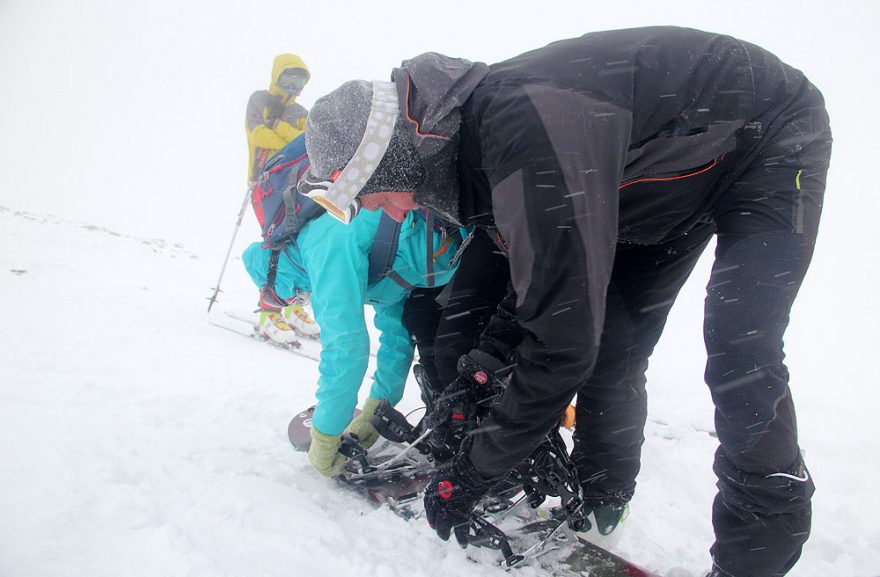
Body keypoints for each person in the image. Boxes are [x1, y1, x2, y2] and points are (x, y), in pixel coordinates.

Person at [296, 26, 833, 577]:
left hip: (767, 136)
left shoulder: (519, 133)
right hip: (662, 179)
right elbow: (548, 295)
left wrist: (474, 473)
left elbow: (560, 346)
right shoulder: (470, 153)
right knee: (616, 349)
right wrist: (482, 373)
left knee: (742, 354)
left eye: (379, 195)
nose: (389, 213)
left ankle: (754, 558)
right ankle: (598, 495)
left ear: (389, 159)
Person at [244, 194, 468, 476]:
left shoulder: (322, 249)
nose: (299, 300)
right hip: (456, 244)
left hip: (457, 245)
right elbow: (396, 337)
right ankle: (460, 441)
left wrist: (325, 437)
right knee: (443, 356)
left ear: (277, 273)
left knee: (452, 358)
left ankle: (469, 449)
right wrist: (377, 410)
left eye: (287, 298)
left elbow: (345, 350)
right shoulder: (330, 247)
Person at [244, 53, 319, 343]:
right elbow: (257, 134)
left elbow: (309, 139)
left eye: (299, 79)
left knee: (293, 240)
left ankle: (290, 304)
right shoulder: (260, 100)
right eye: (289, 77)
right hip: (263, 181)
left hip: (294, 183)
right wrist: (287, 135)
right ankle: (269, 311)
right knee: (272, 239)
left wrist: (280, 131)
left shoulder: (301, 110)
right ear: (277, 75)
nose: (294, 84)